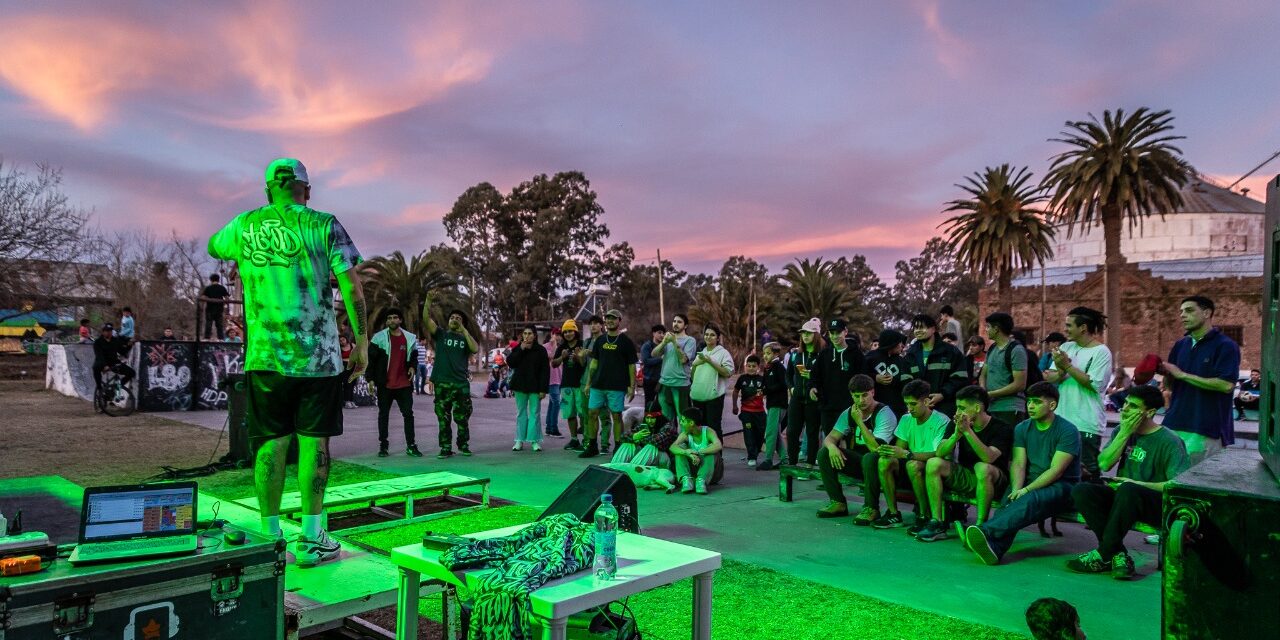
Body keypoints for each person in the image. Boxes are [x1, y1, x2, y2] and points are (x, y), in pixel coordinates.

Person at [208, 158, 366, 566]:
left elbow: (213, 245)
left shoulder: (245, 225)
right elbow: (350, 285)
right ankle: (312, 538)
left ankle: (270, 537)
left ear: (267, 190)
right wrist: (361, 341)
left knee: (269, 445)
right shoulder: (324, 224)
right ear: (306, 190)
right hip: (319, 358)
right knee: (315, 445)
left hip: (265, 358)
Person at [1069, 385, 1190, 579]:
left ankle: (1104, 553)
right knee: (1082, 490)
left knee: (1129, 489)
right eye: (1125, 403)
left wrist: (1137, 484)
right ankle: (1118, 555)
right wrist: (1125, 433)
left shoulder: (1170, 441)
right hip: (1124, 498)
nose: (1124, 409)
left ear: (1149, 412)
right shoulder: (1122, 430)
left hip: (1155, 503)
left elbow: (1176, 486)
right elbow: (1104, 463)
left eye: (1132, 406)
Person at [965, 381, 1080, 566]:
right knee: (1010, 501)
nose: (1031, 406)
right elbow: (1018, 463)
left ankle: (985, 531)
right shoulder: (1022, 427)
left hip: (1063, 485)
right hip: (1030, 479)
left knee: (1030, 499)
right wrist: (1017, 489)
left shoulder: (1067, 430)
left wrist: (1026, 491)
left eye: (1036, 402)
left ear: (1052, 405)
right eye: (1029, 402)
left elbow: (1056, 470)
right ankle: (995, 549)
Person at [916, 385, 1014, 542]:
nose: (957, 413)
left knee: (982, 467)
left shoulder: (1001, 428)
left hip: (995, 481)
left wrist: (968, 432)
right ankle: (937, 522)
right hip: (968, 477)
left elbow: (988, 458)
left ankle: (981, 526)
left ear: (977, 407)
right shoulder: (958, 424)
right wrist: (956, 435)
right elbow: (940, 452)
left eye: (961, 408)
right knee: (934, 463)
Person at [1160, 295, 1241, 465]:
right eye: (1181, 311)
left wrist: (1182, 375)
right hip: (1174, 423)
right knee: (1167, 482)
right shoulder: (1180, 345)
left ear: (1206, 313)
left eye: (1189, 310)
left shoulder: (1226, 345)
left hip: (1205, 428)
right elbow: (1170, 385)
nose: (1182, 315)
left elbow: (1226, 385)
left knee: (1196, 486)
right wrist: (1165, 373)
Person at [870, 379, 950, 534]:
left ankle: (924, 516)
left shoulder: (942, 421)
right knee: (884, 461)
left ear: (926, 401)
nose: (909, 408)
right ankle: (893, 514)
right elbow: (900, 448)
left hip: (934, 470)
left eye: (913, 404)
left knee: (913, 464)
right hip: (911, 467)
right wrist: (888, 451)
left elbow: (938, 454)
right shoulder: (906, 419)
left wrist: (907, 454)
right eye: (907, 404)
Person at [1044, 307, 1112, 482]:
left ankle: (1091, 507)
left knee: (1087, 474)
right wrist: (1059, 371)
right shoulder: (1066, 347)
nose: (1065, 329)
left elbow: (1094, 384)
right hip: (1060, 421)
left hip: (1086, 423)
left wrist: (1067, 366)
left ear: (1083, 328)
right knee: (1058, 472)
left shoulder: (1101, 352)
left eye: (1069, 325)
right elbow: (1050, 377)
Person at [816, 374, 896, 521]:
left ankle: (871, 508)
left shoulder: (884, 413)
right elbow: (830, 438)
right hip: (860, 462)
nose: (861, 400)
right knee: (824, 453)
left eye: (865, 395)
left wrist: (859, 422)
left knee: (870, 457)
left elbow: (876, 448)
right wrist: (832, 447)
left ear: (873, 392)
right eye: (856, 396)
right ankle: (838, 502)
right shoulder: (849, 412)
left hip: (882, 464)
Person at [424, 295, 479, 459]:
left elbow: (475, 349)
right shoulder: (441, 334)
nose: (454, 319)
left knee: (462, 418)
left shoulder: (465, 339)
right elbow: (426, 319)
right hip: (442, 384)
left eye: (458, 318)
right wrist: (428, 301)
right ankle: (445, 447)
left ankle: (463, 445)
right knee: (443, 418)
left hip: (460, 384)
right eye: (452, 317)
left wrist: (464, 331)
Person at [580, 309, 637, 458]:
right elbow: (594, 363)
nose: (610, 321)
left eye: (613, 318)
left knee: (616, 415)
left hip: (617, 386)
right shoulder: (600, 340)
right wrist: (588, 383)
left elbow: (632, 366)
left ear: (619, 321)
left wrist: (632, 386)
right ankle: (592, 446)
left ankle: (618, 447)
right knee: (592, 413)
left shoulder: (626, 342)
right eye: (608, 318)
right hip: (598, 385)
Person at [368, 308, 420, 457]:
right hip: (385, 384)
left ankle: (411, 445)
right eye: (389, 318)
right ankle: (383, 446)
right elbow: (371, 360)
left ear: (400, 320)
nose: (392, 320)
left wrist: (412, 367)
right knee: (383, 414)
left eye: (395, 317)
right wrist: (370, 379)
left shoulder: (409, 338)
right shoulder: (378, 338)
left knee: (408, 415)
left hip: (404, 384)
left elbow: (414, 357)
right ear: (386, 321)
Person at [810, 318, 865, 447]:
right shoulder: (824, 354)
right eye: (832, 333)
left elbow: (863, 378)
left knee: (848, 441)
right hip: (828, 407)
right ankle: (831, 465)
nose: (834, 336)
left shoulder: (856, 355)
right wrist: (812, 388)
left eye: (838, 332)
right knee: (830, 440)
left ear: (845, 332)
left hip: (849, 406)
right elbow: (814, 375)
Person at [904, 313, 968, 418]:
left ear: (933, 329)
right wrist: (916, 400)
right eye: (916, 328)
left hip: (946, 408)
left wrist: (943, 394)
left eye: (922, 327)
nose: (918, 331)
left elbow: (960, 378)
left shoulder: (950, 351)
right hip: (919, 409)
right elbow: (906, 380)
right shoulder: (910, 354)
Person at [786, 318, 825, 467]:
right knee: (792, 432)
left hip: (813, 400)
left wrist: (813, 377)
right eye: (803, 333)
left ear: (816, 335)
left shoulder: (822, 355)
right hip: (797, 399)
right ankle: (792, 464)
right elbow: (788, 375)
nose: (805, 336)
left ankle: (809, 464)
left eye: (809, 333)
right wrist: (792, 388)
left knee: (812, 433)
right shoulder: (796, 354)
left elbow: (826, 378)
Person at [979, 312, 1028, 426]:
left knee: (1009, 443)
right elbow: (983, 374)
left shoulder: (1016, 350)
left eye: (988, 327)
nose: (986, 330)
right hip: (991, 407)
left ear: (996, 329)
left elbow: (1020, 384)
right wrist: (983, 392)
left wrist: (991, 394)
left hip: (1010, 408)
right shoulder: (992, 348)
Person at [508, 324, 550, 452]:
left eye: (530, 334)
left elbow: (545, 371)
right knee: (521, 413)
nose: (527, 336)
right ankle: (519, 440)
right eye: (525, 334)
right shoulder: (518, 348)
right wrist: (521, 348)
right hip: (520, 386)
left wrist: (543, 389)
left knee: (534, 414)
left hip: (535, 387)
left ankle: (534, 441)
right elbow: (510, 362)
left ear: (535, 335)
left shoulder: (541, 350)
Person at [689, 323, 735, 439]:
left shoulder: (723, 353)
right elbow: (693, 377)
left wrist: (711, 361)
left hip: (714, 397)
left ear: (718, 338)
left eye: (712, 335)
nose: (708, 337)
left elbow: (728, 372)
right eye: (706, 334)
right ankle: (702, 454)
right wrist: (695, 365)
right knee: (700, 428)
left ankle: (717, 456)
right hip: (698, 396)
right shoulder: (701, 353)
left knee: (713, 428)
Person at [553, 320, 589, 451]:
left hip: (580, 384)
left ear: (576, 332)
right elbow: (554, 364)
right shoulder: (562, 347)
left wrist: (578, 358)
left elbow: (586, 364)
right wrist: (562, 358)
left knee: (583, 413)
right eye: (565, 332)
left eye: (570, 331)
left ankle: (587, 440)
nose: (568, 334)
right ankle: (574, 439)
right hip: (566, 385)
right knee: (570, 414)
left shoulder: (582, 344)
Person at [656, 313, 697, 425]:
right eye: (674, 321)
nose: (676, 324)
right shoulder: (667, 339)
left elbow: (684, 360)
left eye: (679, 322)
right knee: (665, 419)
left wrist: (674, 342)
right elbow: (654, 354)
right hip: (664, 384)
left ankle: (683, 442)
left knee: (683, 419)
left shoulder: (690, 340)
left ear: (686, 326)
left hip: (680, 384)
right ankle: (668, 441)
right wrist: (664, 342)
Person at [670, 407, 723, 495]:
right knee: (680, 449)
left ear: (691, 423)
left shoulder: (708, 431)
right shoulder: (685, 434)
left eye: (683, 421)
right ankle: (686, 480)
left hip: (712, 475)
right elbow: (672, 447)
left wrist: (698, 453)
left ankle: (701, 480)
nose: (681, 423)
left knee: (712, 451)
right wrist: (687, 452)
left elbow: (718, 445)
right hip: (694, 472)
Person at [863, 329, 911, 418]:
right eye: (899, 342)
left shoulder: (902, 361)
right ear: (891, 343)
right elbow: (861, 376)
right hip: (875, 407)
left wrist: (894, 380)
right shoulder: (870, 357)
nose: (902, 345)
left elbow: (907, 381)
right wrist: (875, 378)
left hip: (897, 409)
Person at [757, 341, 789, 470]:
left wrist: (766, 390)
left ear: (776, 353)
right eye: (764, 353)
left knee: (770, 432)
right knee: (775, 432)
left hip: (778, 404)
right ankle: (784, 459)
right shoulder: (768, 367)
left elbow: (783, 384)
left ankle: (768, 459)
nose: (765, 356)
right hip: (771, 403)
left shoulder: (779, 367)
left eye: (768, 353)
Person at [733, 354, 767, 466]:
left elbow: (767, 392)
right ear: (745, 366)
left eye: (753, 366)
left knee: (760, 434)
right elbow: (735, 391)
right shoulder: (742, 378)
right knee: (749, 433)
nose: (751, 368)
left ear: (758, 367)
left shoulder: (762, 379)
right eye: (749, 366)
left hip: (760, 412)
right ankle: (751, 456)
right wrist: (734, 406)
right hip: (746, 412)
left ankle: (756, 451)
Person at [92, 323, 135, 397]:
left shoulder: (115, 340)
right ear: (103, 332)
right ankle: (99, 388)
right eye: (107, 331)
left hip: (113, 362)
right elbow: (99, 355)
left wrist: (129, 345)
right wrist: (105, 366)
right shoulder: (98, 342)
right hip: (102, 362)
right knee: (95, 368)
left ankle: (116, 388)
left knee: (131, 373)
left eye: (110, 331)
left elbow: (122, 351)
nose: (109, 332)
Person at [639, 324, 666, 412]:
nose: (662, 335)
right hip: (649, 380)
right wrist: (660, 358)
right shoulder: (647, 346)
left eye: (663, 333)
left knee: (662, 405)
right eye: (659, 333)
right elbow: (646, 361)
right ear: (653, 333)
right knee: (649, 404)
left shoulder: (665, 346)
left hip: (662, 381)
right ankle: (647, 424)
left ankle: (661, 424)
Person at [200, 273, 231, 341]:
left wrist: (208, 299)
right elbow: (227, 298)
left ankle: (207, 338)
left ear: (211, 280)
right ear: (218, 280)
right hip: (219, 309)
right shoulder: (222, 288)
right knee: (219, 324)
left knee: (209, 323)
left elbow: (203, 297)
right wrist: (224, 303)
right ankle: (221, 338)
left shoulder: (208, 288)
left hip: (210, 308)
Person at [544, 328, 563, 436]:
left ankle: (549, 428)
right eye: (556, 334)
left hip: (558, 379)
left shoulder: (560, 347)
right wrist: (554, 343)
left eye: (559, 335)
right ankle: (553, 428)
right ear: (552, 334)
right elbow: (552, 356)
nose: (558, 336)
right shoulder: (545, 347)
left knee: (552, 403)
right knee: (556, 403)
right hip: (551, 379)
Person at [340, 335, 357, 409]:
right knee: (347, 384)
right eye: (340, 340)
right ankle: (347, 401)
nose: (342, 342)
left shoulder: (352, 345)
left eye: (343, 339)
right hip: (344, 367)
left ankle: (351, 400)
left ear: (346, 339)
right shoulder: (339, 348)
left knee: (353, 383)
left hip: (353, 366)